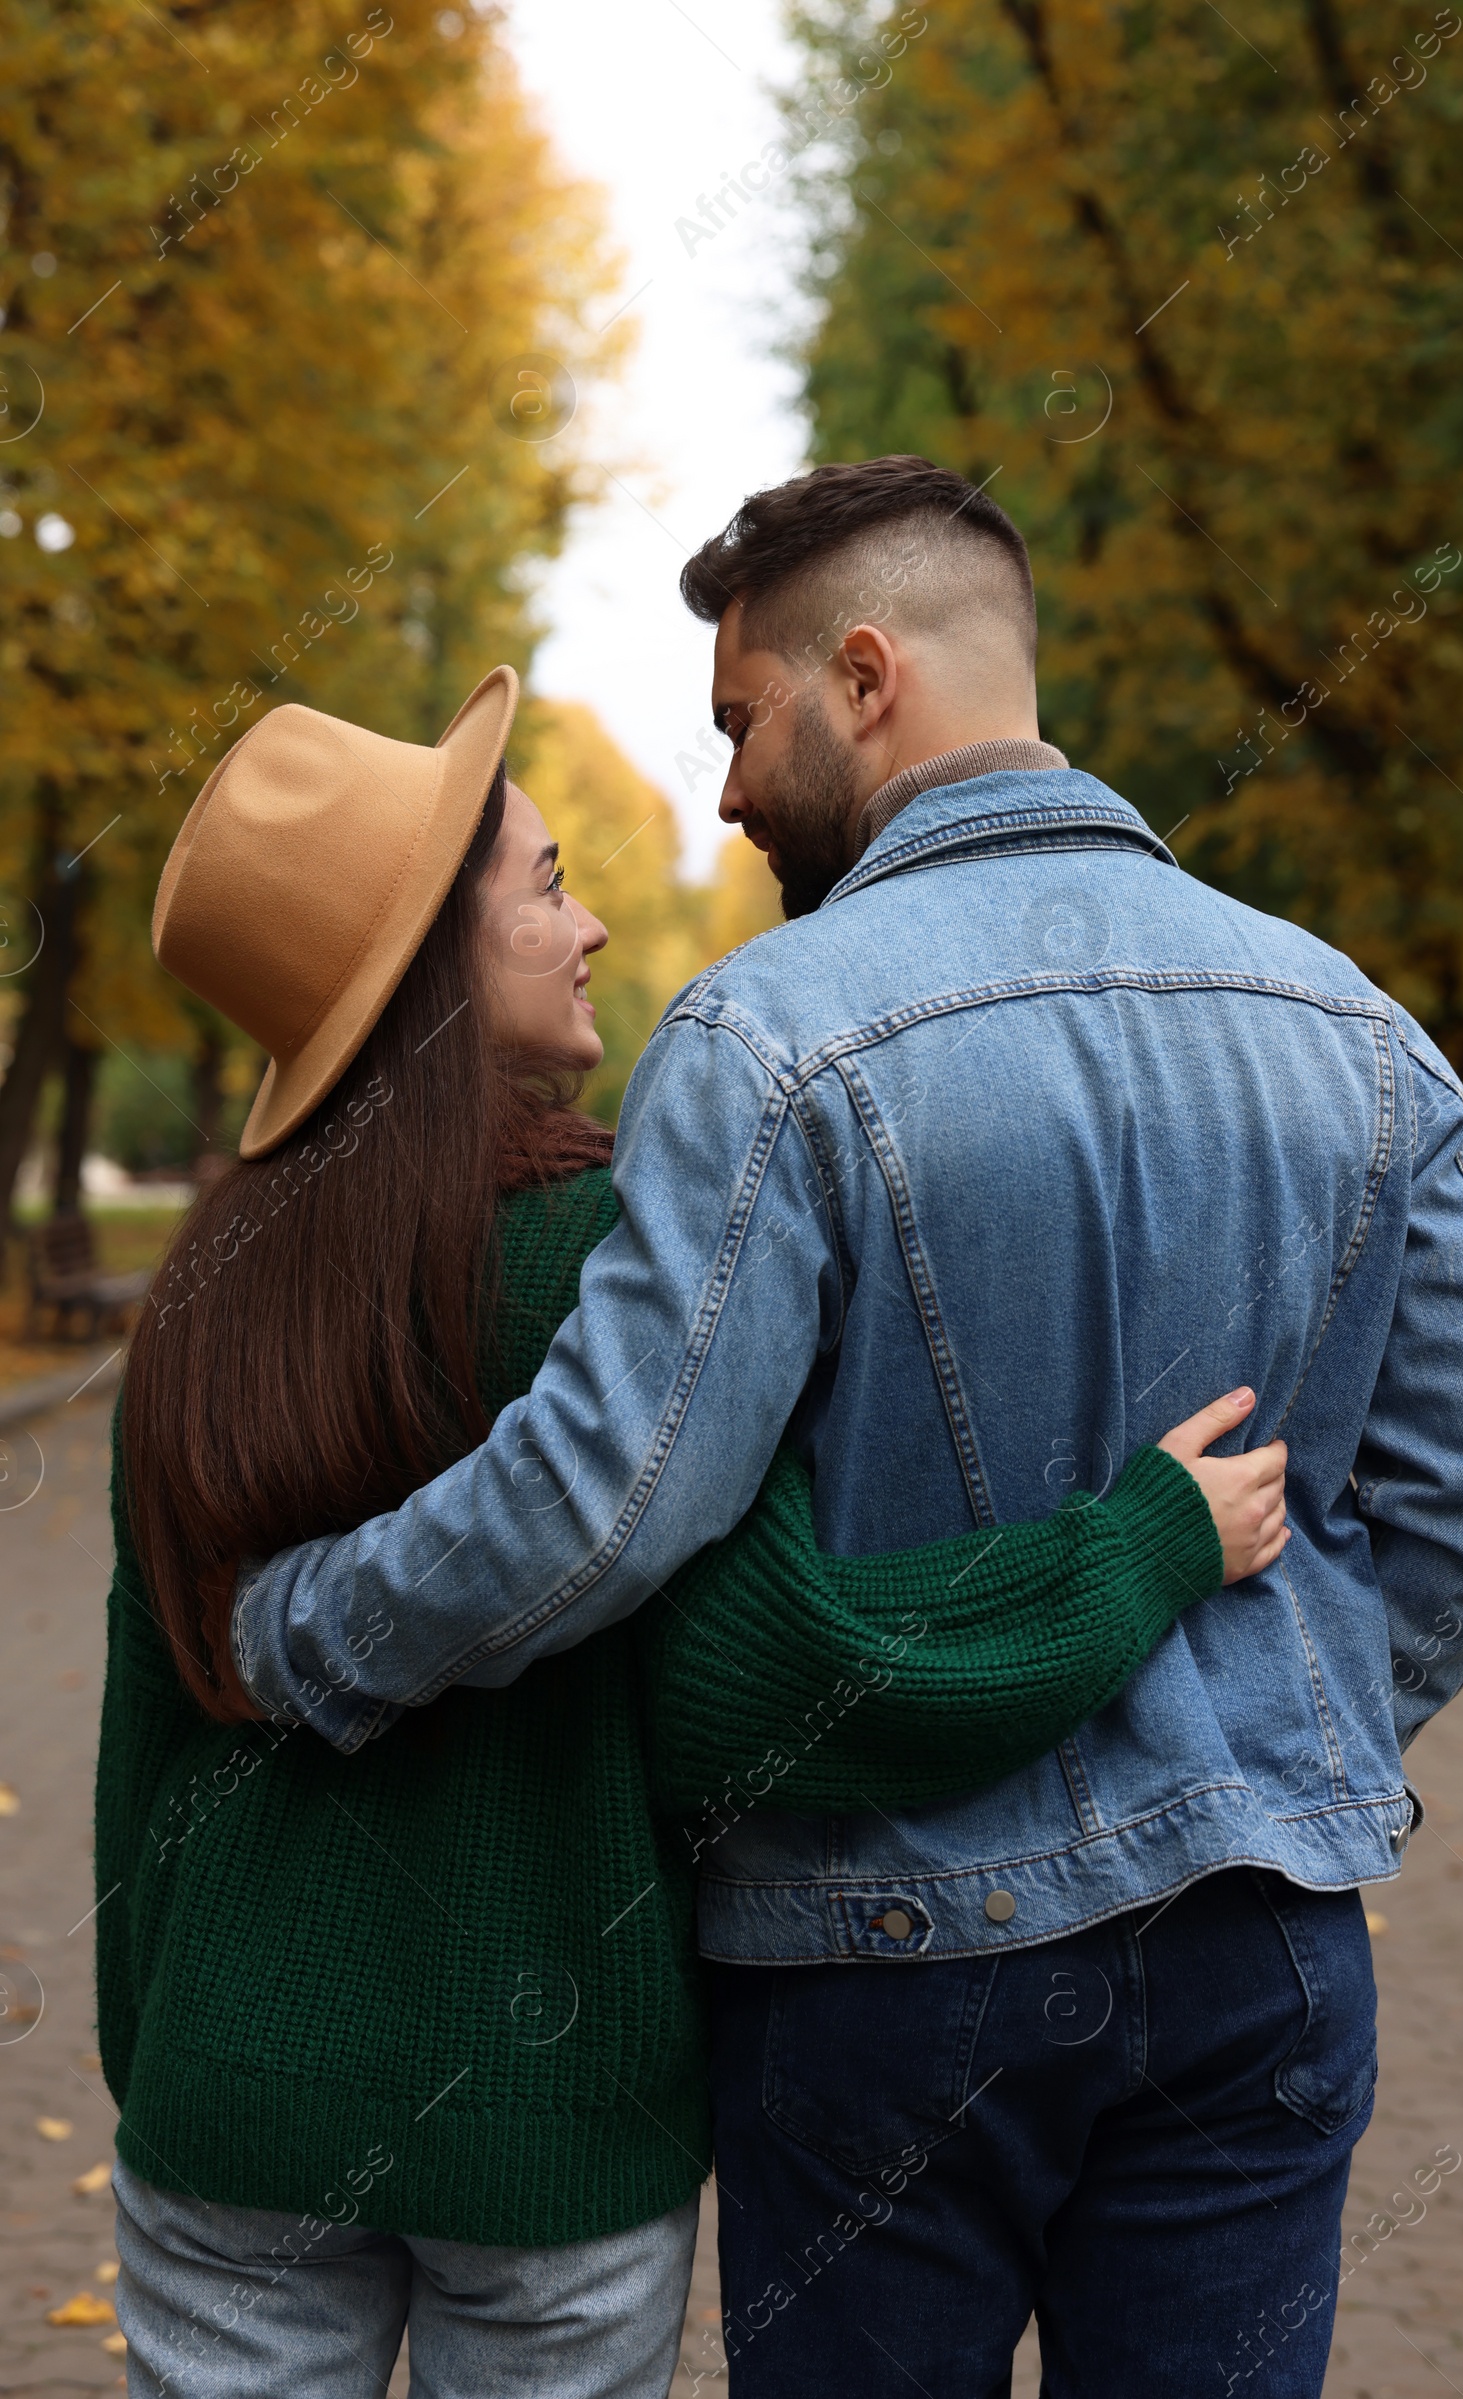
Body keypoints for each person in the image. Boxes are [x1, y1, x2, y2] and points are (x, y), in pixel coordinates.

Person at [228, 458, 1463, 2397]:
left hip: (876, 1962)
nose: (726, 791)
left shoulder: (771, 1038)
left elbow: (605, 1505)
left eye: (739, 720)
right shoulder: (1355, 1030)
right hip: (1257, 1957)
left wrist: (300, 1633)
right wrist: (1280, 1741)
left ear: (863, 677)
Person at [96, 664, 1288, 2399]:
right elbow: (781, 1687)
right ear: (436, 958)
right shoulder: (607, 1273)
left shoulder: (189, 1307)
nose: (585, 932)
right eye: (549, 886)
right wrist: (1140, 1546)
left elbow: (145, 1739)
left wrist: (175, 2049)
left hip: (222, 2102)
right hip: (546, 2123)